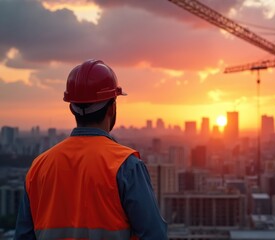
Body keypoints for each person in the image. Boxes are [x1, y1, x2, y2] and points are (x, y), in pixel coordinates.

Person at [14, 59, 168, 240]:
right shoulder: (126, 165)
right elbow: (154, 235)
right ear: (112, 108)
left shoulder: (39, 167)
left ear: (71, 108)